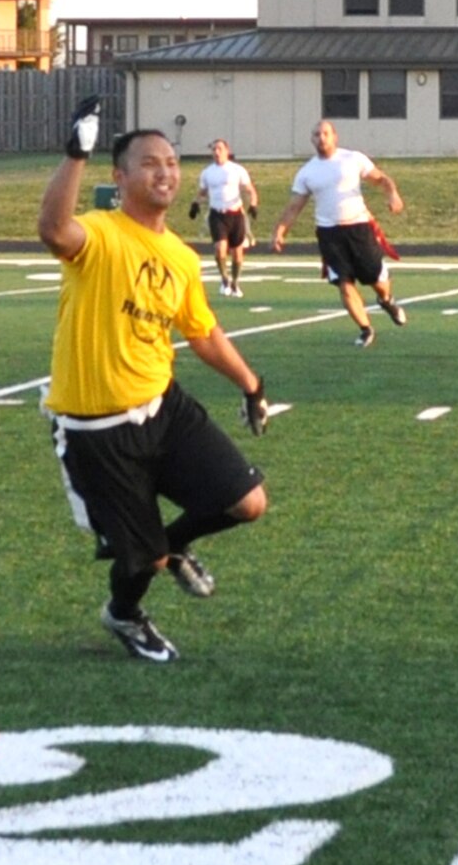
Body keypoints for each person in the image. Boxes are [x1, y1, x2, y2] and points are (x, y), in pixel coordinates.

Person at [37, 100, 272, 663]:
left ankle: (174, 542)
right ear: (118, 178)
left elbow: (204, 332)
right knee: (143, 563)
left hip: (162, 408)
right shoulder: (99, 234)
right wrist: (75, 154)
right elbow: (52, 228)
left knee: (249, 502)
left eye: (170, 161)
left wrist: (251, 384)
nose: (165, 171)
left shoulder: (180, 256)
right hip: (97, 431)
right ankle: (125, 611)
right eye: (149, 163)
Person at [271, 120, 407, 347]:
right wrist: (279, 231)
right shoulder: (307, 172)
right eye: (316, 134)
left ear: (335, 136)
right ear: (312, 140)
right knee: (344, 283)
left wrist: (392, 195)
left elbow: (381, 179)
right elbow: (295, 206)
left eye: (325, 133)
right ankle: (365, 329)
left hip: (359, 228)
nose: (321, 138)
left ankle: (386, 300)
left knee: (378, 280)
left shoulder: (352, 159)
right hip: (329, 234)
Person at [190, 139, 259, 297]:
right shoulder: (207, 172)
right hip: (217, 214)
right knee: (220, 248)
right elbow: (202, 191)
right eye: (214, 149)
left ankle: (235, 282)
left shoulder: (237, 170)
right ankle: (224, 280)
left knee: (237, 252)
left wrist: (253, 205)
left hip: (235, 214)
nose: (216, 152)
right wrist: (195, 204)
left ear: (227, 151)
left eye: (220, 149)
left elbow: (250, 190)